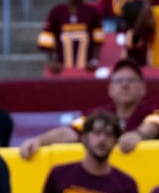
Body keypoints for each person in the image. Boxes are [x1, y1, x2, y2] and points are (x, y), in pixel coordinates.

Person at [19, 58, 159, 158]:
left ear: (143, 88)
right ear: (109, 89)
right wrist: (39, 141)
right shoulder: (99, 114)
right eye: (119, 81)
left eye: (131, 80)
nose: (124, 85)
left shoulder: (153, 111)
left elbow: (153, 125)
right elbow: (71, 132)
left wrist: (138, 136)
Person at [38, 0, 103, 72]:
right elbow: (47, 42)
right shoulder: (56, 12)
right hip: (62, 72)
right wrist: (52, 61)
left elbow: (97, 42)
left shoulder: (92, 12)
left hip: (86, 71)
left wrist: (94, 61)